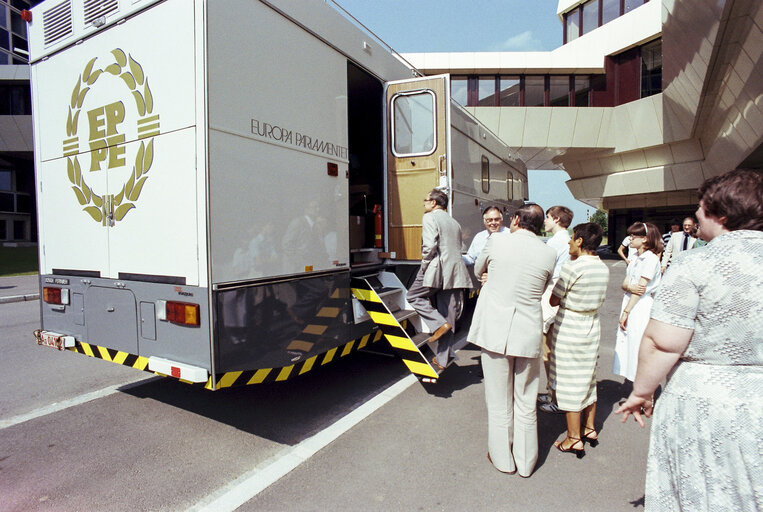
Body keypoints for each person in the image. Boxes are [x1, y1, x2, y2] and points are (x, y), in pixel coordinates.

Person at [616, 169, 763, 511]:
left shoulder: (696, 263)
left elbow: (663, 342)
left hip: (708, 400)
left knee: (707, 490)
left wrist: (642, 390)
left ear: (721, 216)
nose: (695, 216)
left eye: (701, 209)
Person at [467, 203, 556, 477]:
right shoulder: (549, 252)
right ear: (539, 225)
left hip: (495, 329)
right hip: (528, 330)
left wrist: (491, 277)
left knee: (498, 399)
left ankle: (503, 458)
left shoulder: (496, 241)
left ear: (516, 219)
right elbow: (542, 286)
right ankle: (527, 462)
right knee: (526, 399)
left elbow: (479, 269)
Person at [547, 223, 610, 457]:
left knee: (569, 381)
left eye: (572, 239)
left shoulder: (572, 267)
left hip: (571, 326)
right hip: (592, 324)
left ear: (580, 241)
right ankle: (589, 428)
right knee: (588, 377)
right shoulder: (603, 268)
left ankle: (573, 438)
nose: (569, 242)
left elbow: (554, 300)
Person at [407, 188, 472, 370]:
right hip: (455, 272)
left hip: (437, 269)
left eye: (426, 200)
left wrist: (425, 265)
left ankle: (437, 323)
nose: (424, 203)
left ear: (434, 203)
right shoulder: (454, 222)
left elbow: (429, 246)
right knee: (449, 313)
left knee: (413, 296)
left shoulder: (430, 217)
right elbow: (459, 246)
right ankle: (442, 360)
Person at [612, 222, 663, 383]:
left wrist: (626, 312)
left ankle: (646, 395)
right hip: (630, 302)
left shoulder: (651, 259)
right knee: (629, 345)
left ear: (646, 239)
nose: (630, 238)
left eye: (635, 236)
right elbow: (625, 284)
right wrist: (629, 288)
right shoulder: (634, 257)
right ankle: (636, 389)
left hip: (640, 306)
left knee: (639, 346)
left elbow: (640, 289)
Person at [538, 205, 573, 410]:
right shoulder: (568, 240)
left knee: (548, 350)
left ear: (557, 219)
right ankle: (553, 393)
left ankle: (555, 397)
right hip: (561, 294)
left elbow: (547, 272)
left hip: (552, 293)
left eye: (548, 217)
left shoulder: (555, 242)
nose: (545, 221)